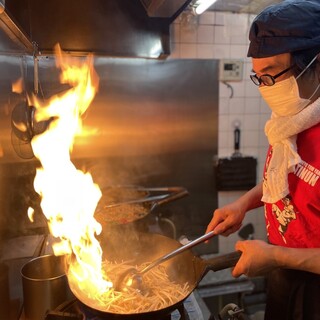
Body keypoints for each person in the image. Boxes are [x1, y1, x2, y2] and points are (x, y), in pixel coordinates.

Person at [206, 1, 320, 319]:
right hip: (284, 269)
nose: (266, 90)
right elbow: (288, 180)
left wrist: (277, 256)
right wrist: (243, 203)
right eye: (259, 78)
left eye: (272, 75)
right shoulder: (294, 117)